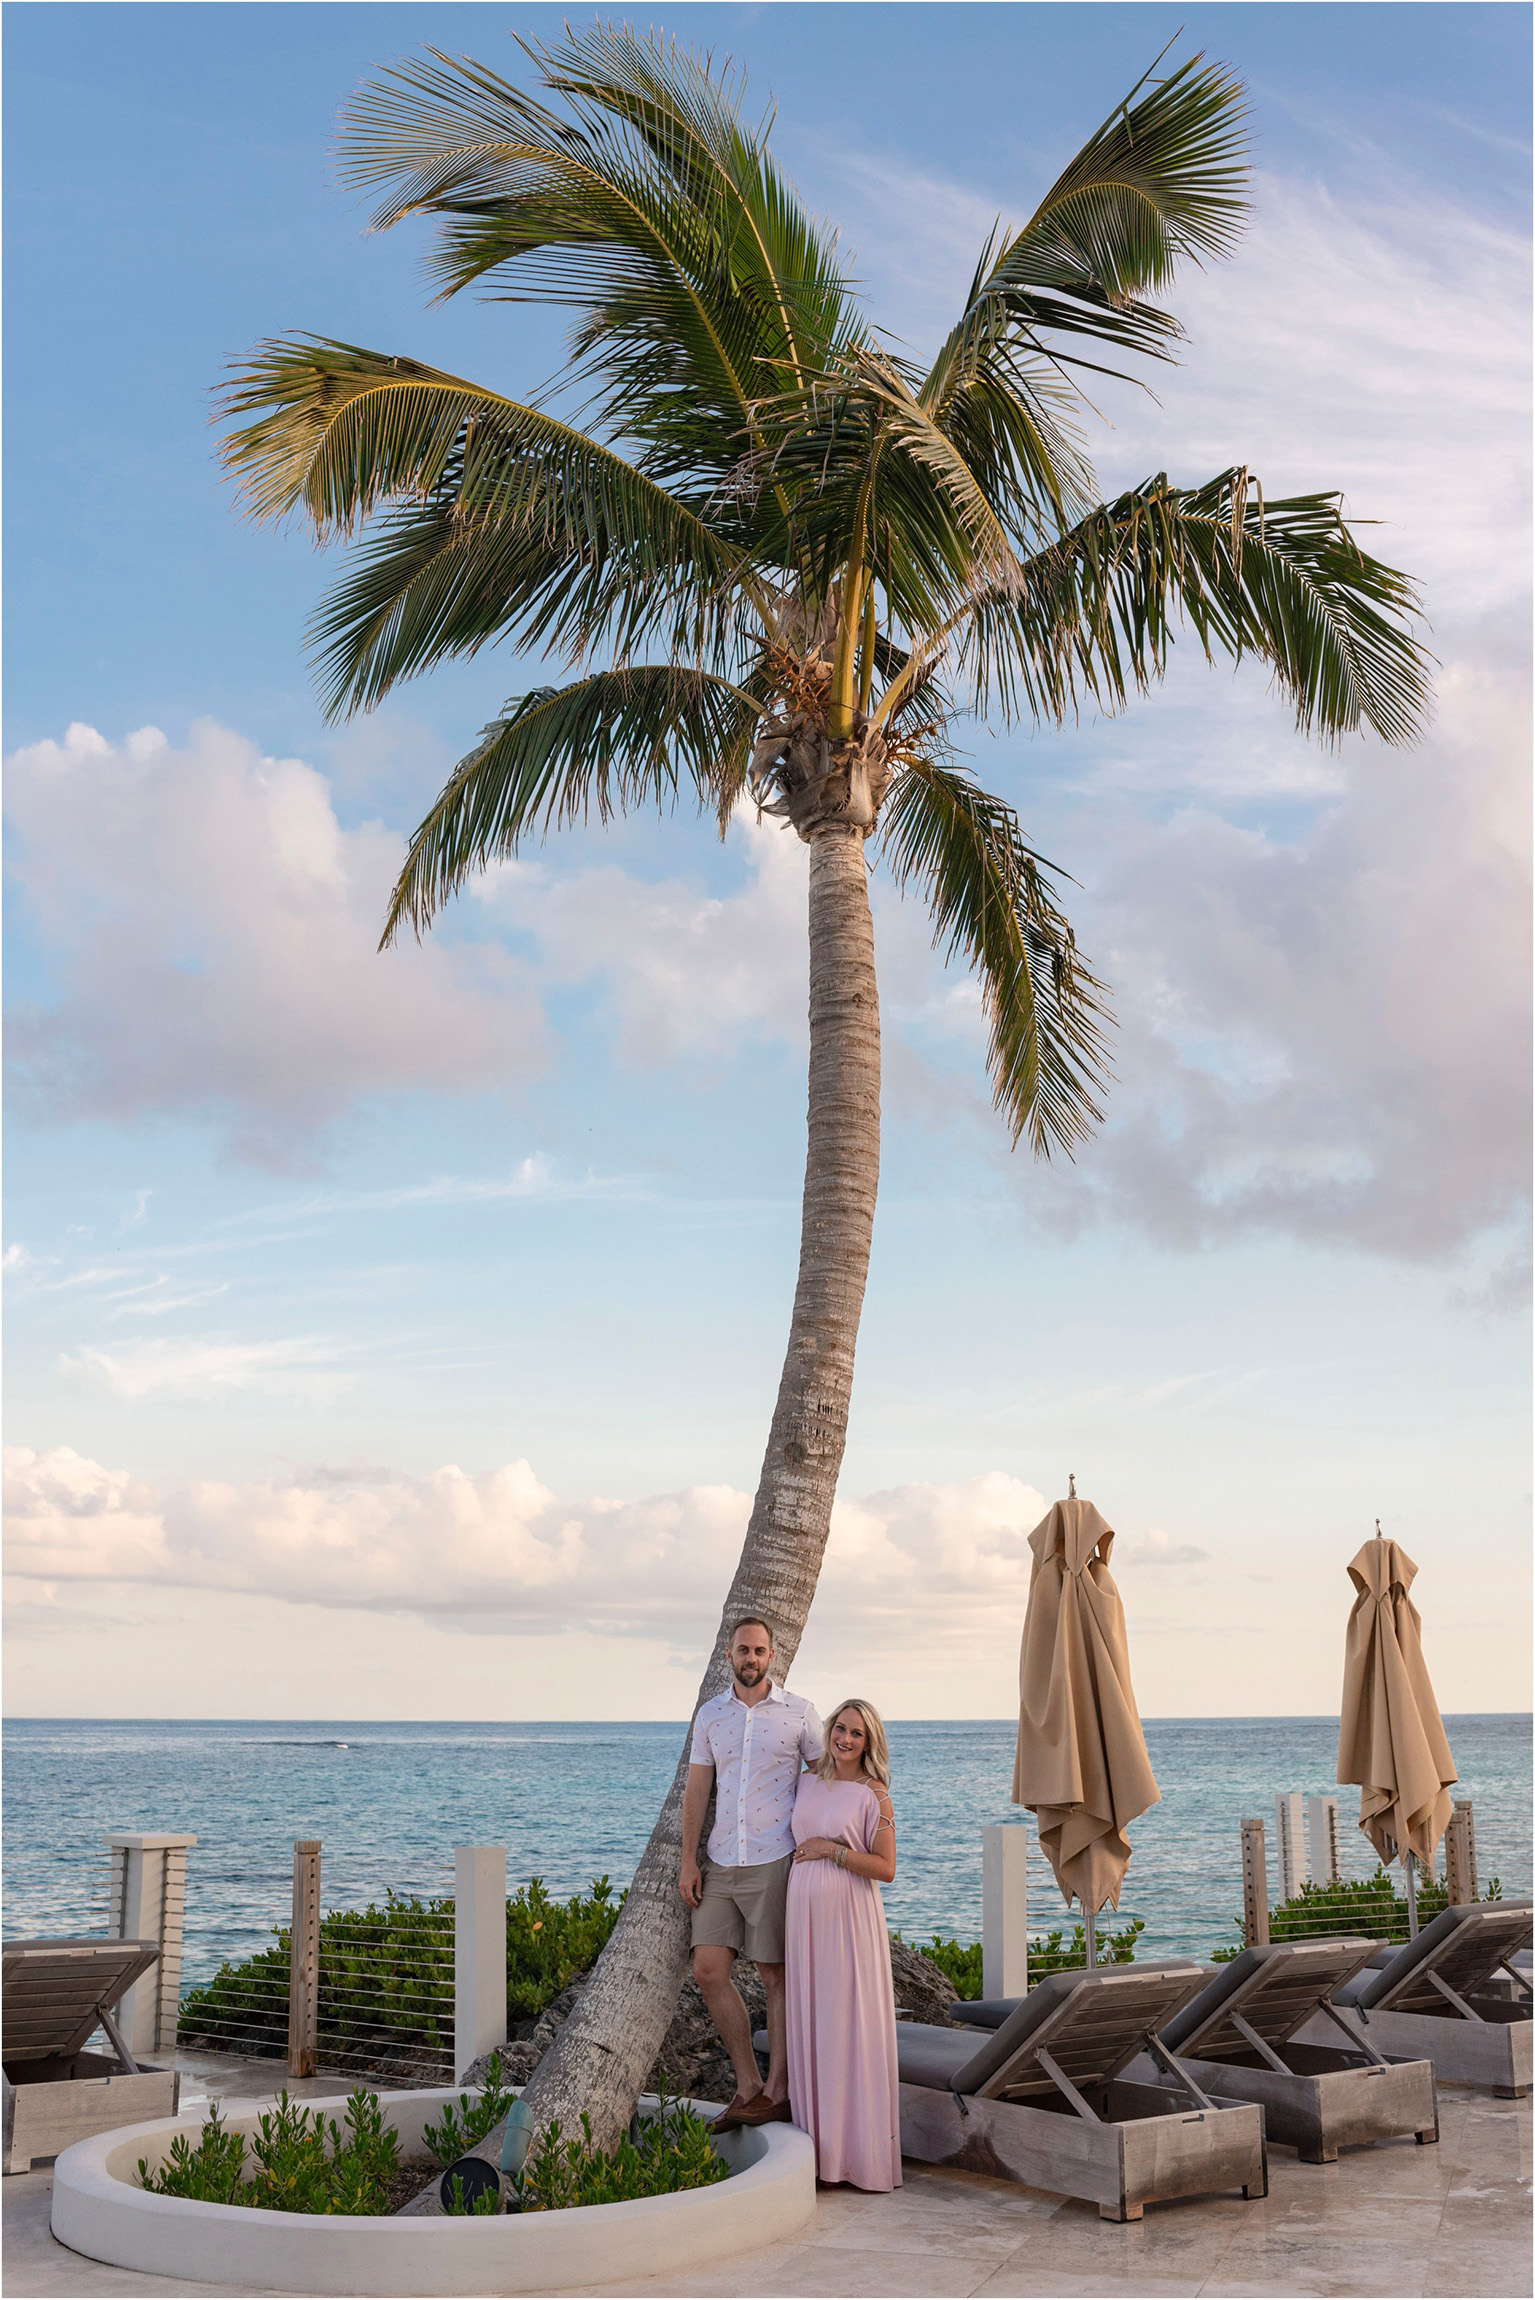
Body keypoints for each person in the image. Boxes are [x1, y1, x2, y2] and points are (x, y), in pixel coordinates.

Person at [680, 1617, 824, 2131]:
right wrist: (688, 1860)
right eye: (744, 1649)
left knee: (774, 1976)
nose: (752, 1658)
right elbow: (697, 1790)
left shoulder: (800, 1714)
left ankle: (779, 2091)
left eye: (760, 1651)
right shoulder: (711, 1716)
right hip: (720, 1861)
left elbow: (826, 1778)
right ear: (729, 1654)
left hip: (775, 1860)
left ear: (771, 1656)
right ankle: (748, 2086)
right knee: (708, 1970)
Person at [785, 1697, 902, 2190]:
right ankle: (818, 2154)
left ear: (869, 1742)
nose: (846, 1739)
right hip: (804, 1916)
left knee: (848, 2024)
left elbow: (886, 1869)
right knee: (813, 2022)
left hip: (850, 1919)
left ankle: (856, 2157)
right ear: (829, 1729)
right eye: (841, 1728)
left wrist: (832, 1851)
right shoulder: (806, 1780)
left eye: (857, 1733)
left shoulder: (873, 1795)